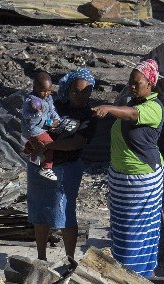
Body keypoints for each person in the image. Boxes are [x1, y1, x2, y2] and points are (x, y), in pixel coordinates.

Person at [92, 59, 164, 278]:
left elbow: (133, 116)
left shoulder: (154, 108)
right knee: (122, 230)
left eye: (137, 82)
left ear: (150, 83)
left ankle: (137, 276)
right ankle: (126, 274)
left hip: (140, 179)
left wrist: (109, 107)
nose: (132, 86)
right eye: (130, 82)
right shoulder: (130, 101)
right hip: (120, 178)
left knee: (137, 232)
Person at [27, 68, 98, 265]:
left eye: (85, 92)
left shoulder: (89, 115)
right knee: (40, 212)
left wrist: (48, 144)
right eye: (76, 91)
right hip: (40, 165)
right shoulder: (54, 104)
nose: (80, 96)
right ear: (68, 89)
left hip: (67, 168)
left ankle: (69, 259)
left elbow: (77, 142)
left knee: (65, 213)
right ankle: (41, 257)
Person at [22, 71, 61, 181]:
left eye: (49, 90)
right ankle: (46, 168)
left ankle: (27, 151)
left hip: (41, 127)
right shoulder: (31, 101)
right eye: (43, 91)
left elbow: (52, 110)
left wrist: (56, 119)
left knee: (38, 144)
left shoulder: (48, 98)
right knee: (49, 145)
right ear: (35, 88)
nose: (46, 93)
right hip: (33, 129)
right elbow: (25, 115)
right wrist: (36, 114)